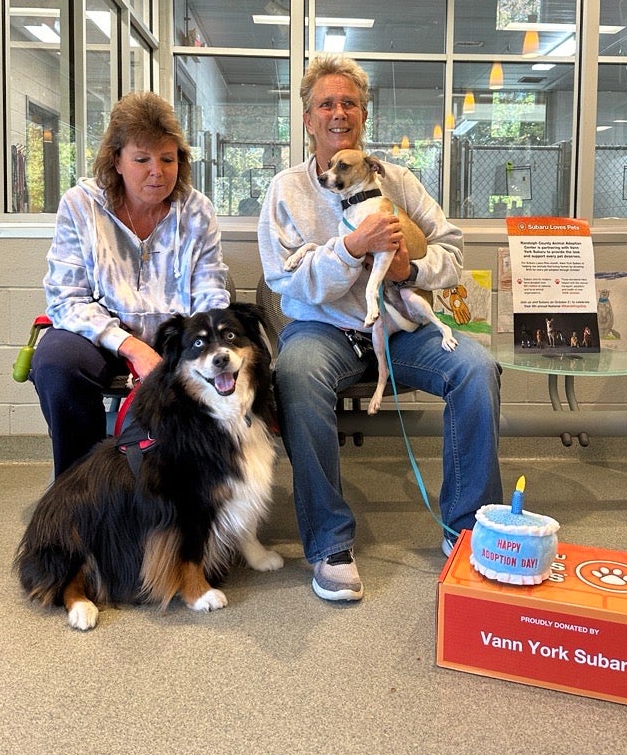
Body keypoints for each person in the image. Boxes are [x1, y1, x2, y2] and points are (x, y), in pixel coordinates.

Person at [258, 54, 502, 603]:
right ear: (308, 119)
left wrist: (410, 270)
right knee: (295, 375)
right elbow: (284, 279)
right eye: (326, 104)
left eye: (349, 103)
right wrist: (350, 250)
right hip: (324, 328)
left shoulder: (399, 180)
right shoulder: (285, 189)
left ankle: (467, 528)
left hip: (400, 324)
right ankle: (329, 542)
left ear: (364, 116)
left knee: (475, 368)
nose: (338, 112)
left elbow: (452, 252)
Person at [31, 91, 230, 476]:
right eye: (142, 159)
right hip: (102, 336)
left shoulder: (197, 210)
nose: (157, 171)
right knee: (56, 362)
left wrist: (186, 348)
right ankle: (80, 486)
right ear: (116, 161)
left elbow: (211, 292)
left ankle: (189, 488)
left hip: (176, 338)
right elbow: (65, 298)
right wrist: (131, 347)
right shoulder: (81, 205)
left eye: (168, 159)